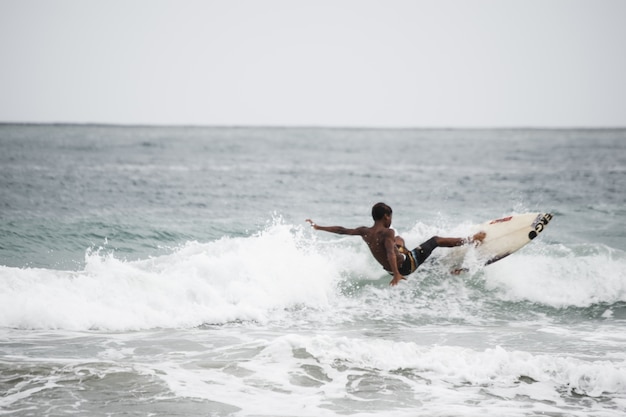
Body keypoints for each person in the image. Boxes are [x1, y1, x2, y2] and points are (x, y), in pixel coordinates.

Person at [306, 202, 486, 286]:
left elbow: (342, 230)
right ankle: (471, 240)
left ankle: (442, 266)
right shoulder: (387, 232)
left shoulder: (365, 231)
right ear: (386, 217)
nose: (391, 220)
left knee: (400, 242)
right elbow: (390, 254)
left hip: (393, 266)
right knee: (435, 241)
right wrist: (398, 275)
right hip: (405, 265)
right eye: (390, 216)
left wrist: (318, 227)